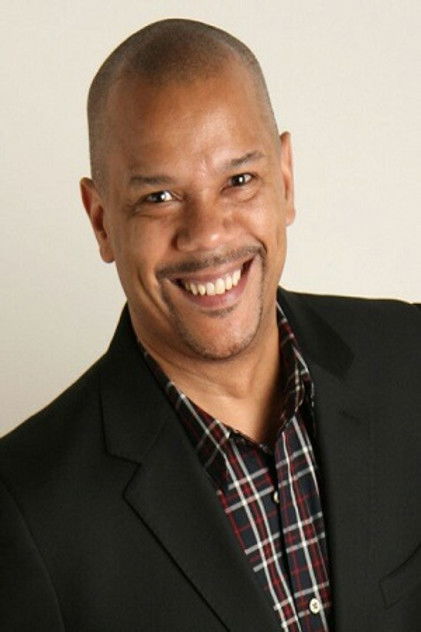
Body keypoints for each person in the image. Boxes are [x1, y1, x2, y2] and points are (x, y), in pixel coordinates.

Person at [0, 18, 419, 632]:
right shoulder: (24, 509)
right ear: (101, 221)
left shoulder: (410, 360)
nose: (208, 234)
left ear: (285, 179)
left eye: (239, 181)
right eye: (159, 197)